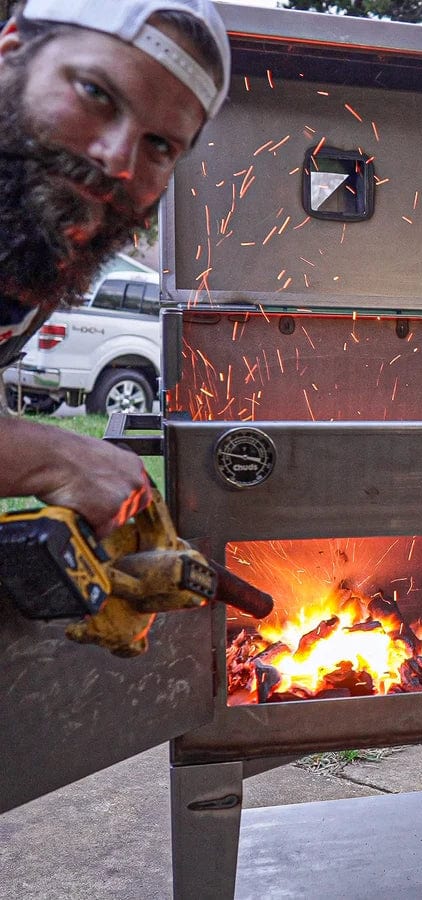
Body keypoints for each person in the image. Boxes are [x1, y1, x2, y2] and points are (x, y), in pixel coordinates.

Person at [0, 0, 230, 536]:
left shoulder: (30, 246)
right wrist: (54, 456)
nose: (118, 160)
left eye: (159, 144)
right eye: (95, 94)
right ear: (11, 51)